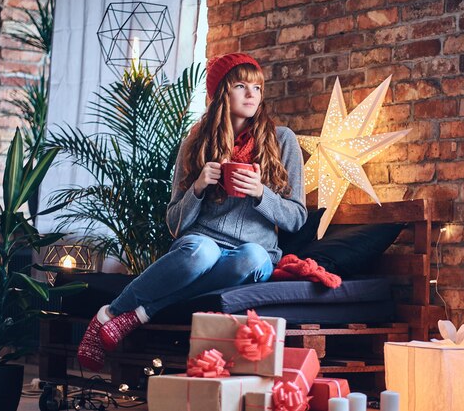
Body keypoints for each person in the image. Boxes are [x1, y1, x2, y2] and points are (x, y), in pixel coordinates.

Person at [77, 53, 307, 371]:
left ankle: (116, 314)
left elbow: (297, 218)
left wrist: (260, 193)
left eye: (257, 87)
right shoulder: (195, 143)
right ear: (221, 93)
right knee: (201, 251)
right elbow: (175, 223)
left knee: (253, 256)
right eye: (241, 86)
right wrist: (198, 188)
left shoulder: (283, 140)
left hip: (254, 254)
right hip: (202, 245)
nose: (252, 94)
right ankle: (124, 313)